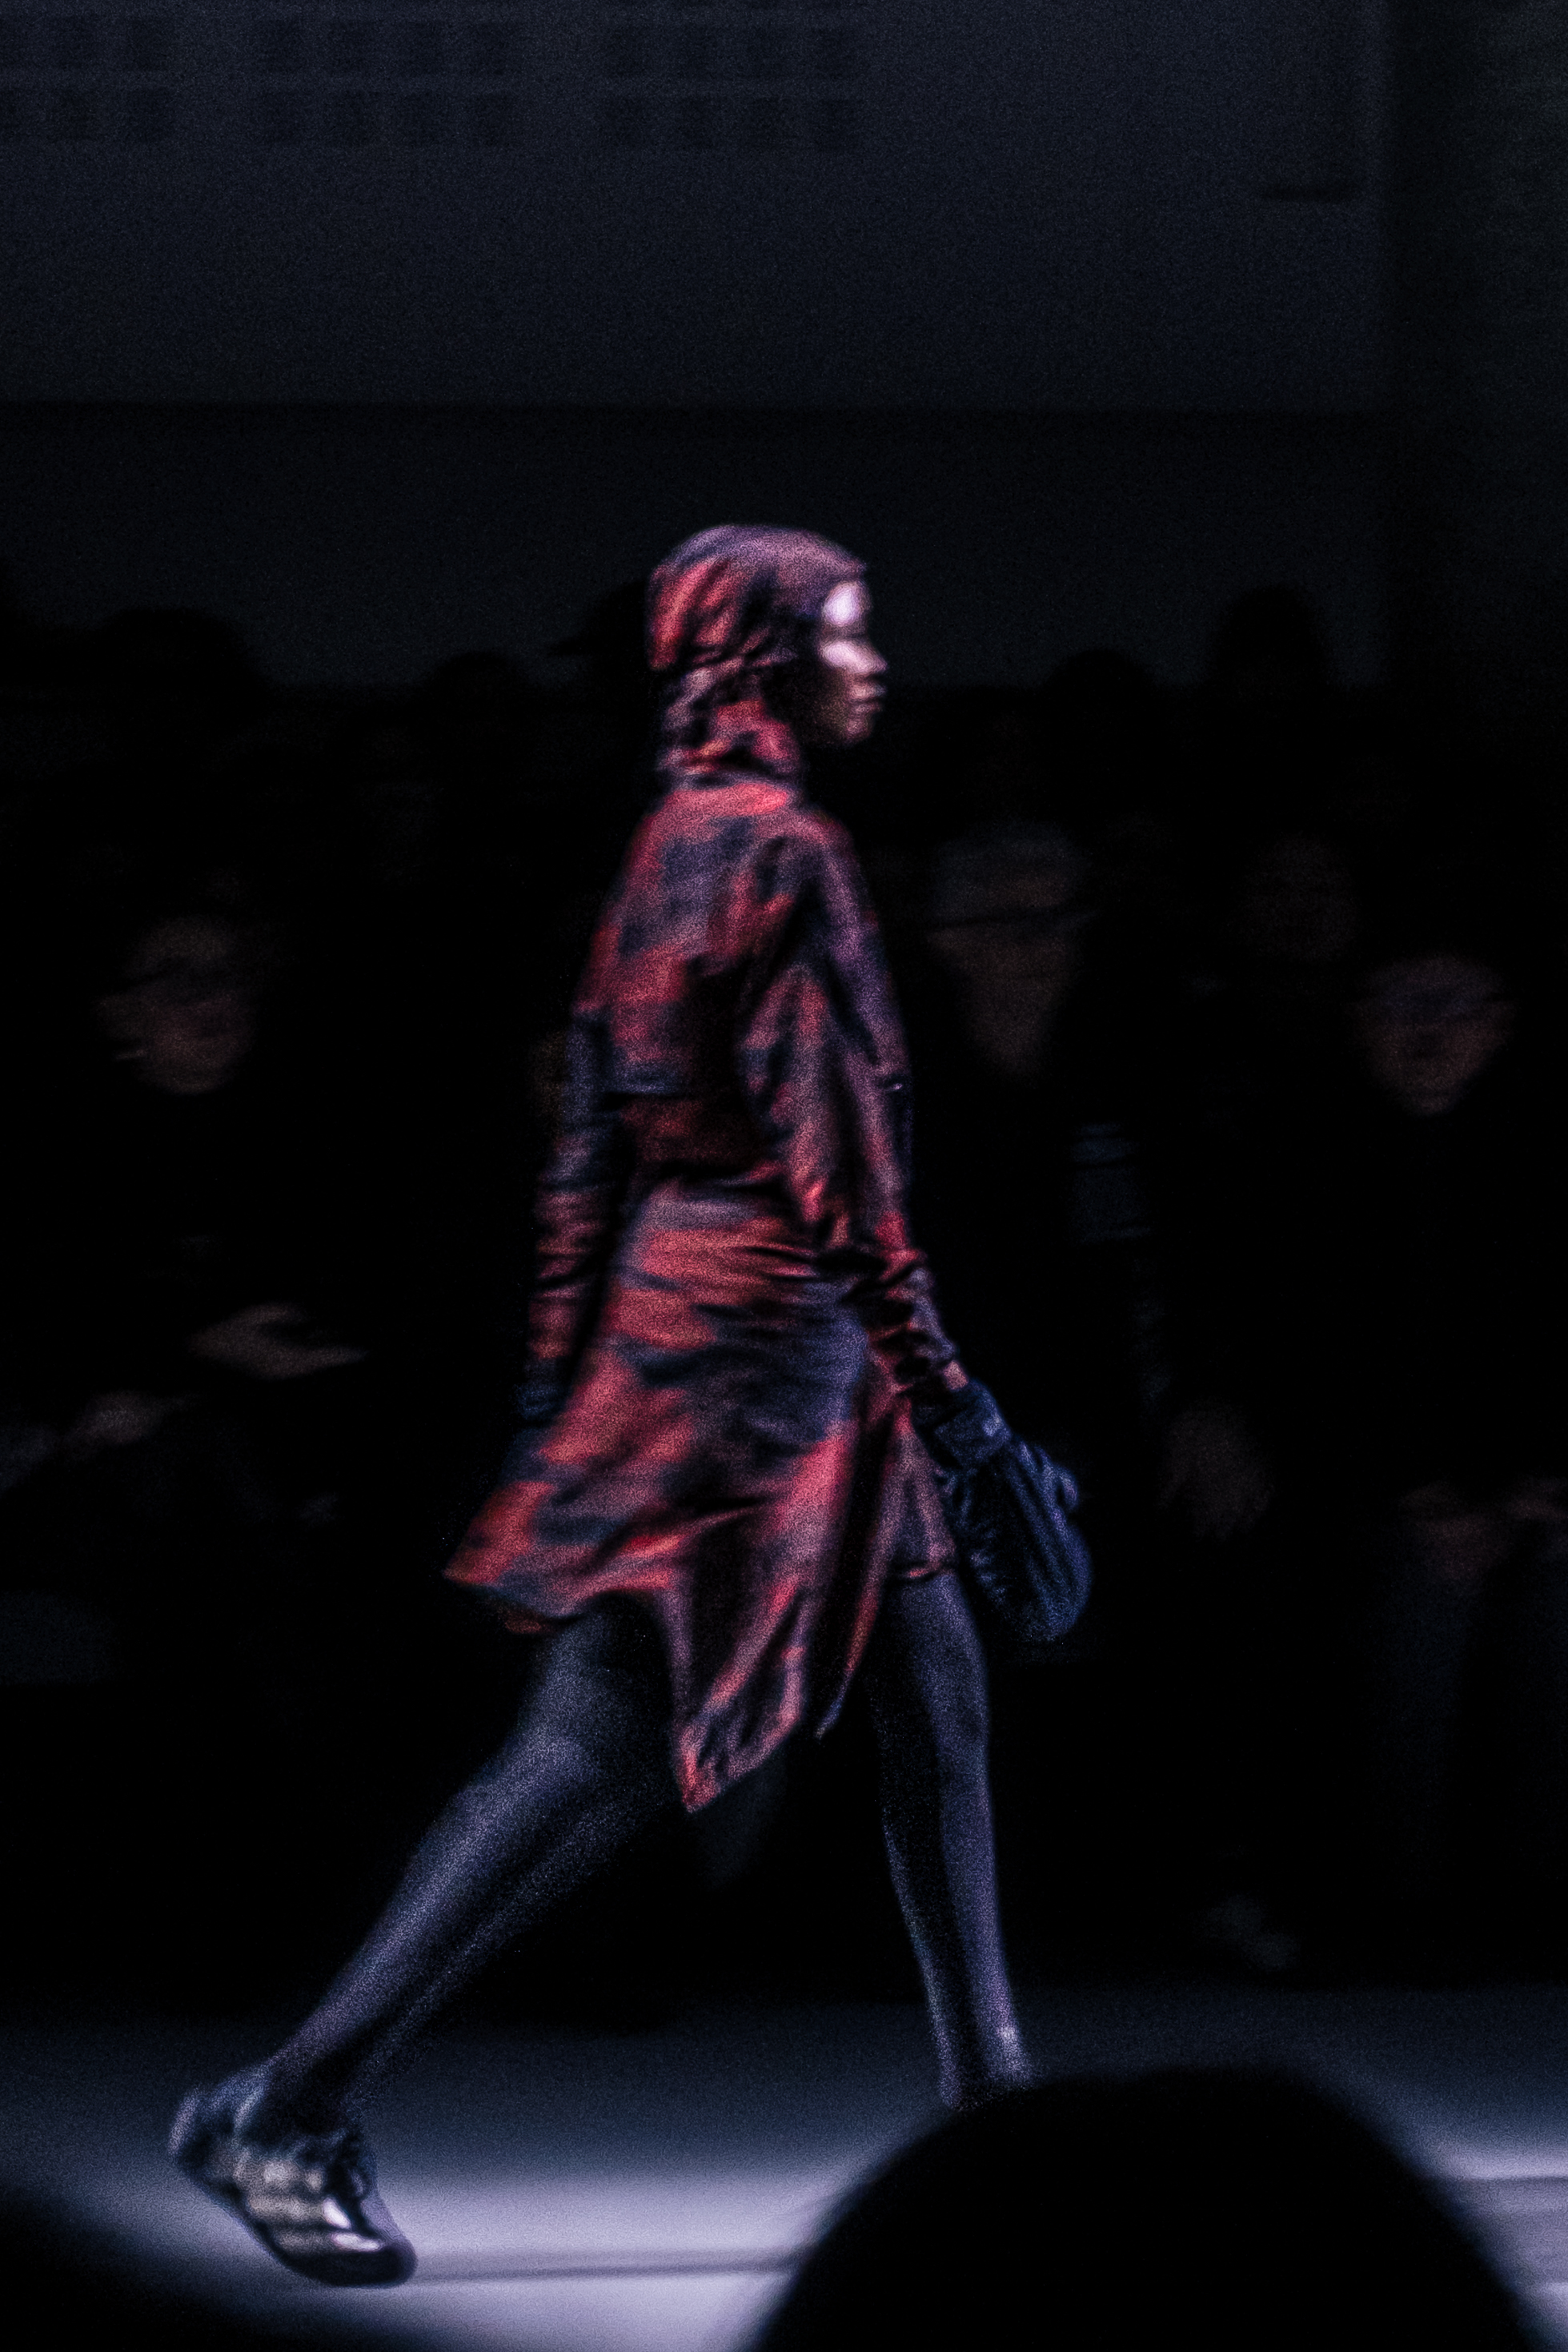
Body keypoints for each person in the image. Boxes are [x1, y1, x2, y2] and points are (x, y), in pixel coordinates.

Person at [169, 526, 1035, 2286]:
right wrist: (948, 1395)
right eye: (845, 633)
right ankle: (290, 2099)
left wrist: (564, 1367)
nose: (874, 662)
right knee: (595, 1748)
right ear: (762, 657)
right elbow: (842, 1174)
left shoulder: (667, 842)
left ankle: (996, 2121)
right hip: (767, 1356)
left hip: (718, 1330)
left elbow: (588, 1135)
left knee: (931, 1702)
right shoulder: (783, 852)